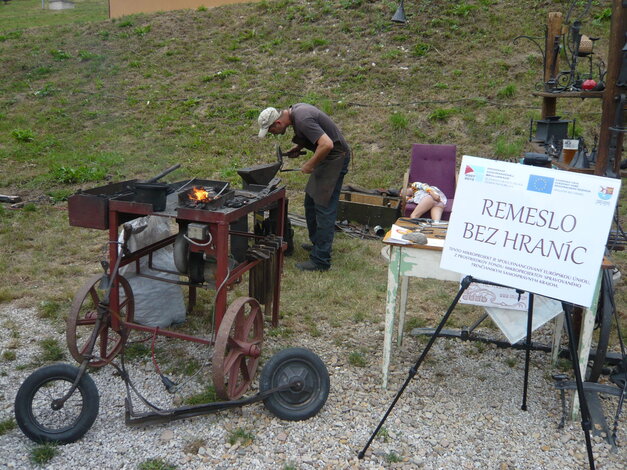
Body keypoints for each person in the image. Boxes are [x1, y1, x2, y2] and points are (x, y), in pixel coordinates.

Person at [257, 103, 350, 271]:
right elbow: (316, 133)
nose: (273, 134)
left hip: (335, 158)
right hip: (327, 158)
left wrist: (310, 164)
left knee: (324, 208)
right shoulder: (295, 112)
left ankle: (321, 260)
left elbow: (327, 144)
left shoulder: (302, 118)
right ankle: (318, 245)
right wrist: (299, 147)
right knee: (311, 202)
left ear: (278, 123)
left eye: (271, 131)